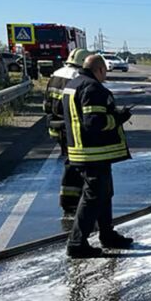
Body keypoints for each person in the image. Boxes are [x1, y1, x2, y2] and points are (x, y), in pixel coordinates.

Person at [63, 54, 134, 257]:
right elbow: (94, 122)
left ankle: (107, 233)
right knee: (93, 197)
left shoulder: (73, 84)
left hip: (82, 150)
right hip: (92, 153)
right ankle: (77, 243)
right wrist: (119, 118)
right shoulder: (93, 88)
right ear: (100, 70)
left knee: (104, 194)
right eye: (105, 72)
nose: (105, 77)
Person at [46, 48, 91, 215]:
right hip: (69, 127)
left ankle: (70, 199)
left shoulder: (56, 74)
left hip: (55, 125)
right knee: (74, 163)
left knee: (70, 160)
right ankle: (71, 201)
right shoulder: (76, 78)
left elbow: (46, 105)